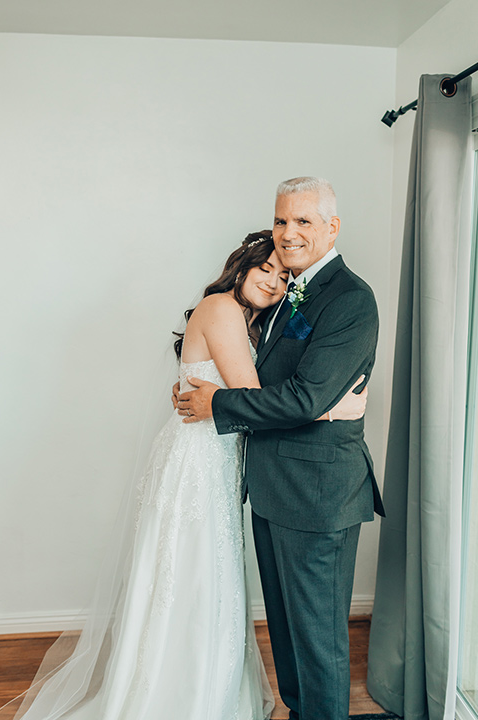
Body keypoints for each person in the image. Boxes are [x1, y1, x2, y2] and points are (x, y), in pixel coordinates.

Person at [5, 230, 365, 720]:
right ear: (241, 267)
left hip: (220, 461)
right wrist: (328, 408)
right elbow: (251, 393)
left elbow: (250, 399)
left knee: (206, 578)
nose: (275, 282)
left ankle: (204, 689)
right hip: (198, 464)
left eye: (284, 277)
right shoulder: (219, 310)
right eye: (266, 269)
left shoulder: (249, 320)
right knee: (191, 576)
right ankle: (179, 696)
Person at [177, 178, 385, 720]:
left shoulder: (350, 298)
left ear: (332, 227)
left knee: (318, 641)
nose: (288, 234)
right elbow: (268, 379)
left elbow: (305, 396)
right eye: (280, 221)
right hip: (271, 488)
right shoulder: (286, 289)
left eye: (303, 222)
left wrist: (216, 405)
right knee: (289, 636)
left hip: (319, 496)